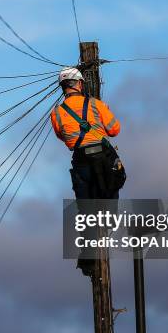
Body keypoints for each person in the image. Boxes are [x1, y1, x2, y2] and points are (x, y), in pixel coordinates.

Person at [50, 67, 125, 275]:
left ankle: (89, 257)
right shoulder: (96, 105)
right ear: (81, 84)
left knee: (86, 210)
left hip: (81, 161)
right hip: (103, 157)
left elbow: (63, 138)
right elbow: (115, 130)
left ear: (63, 87)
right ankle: (106, 227)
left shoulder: (56, 113)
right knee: (111, 189)